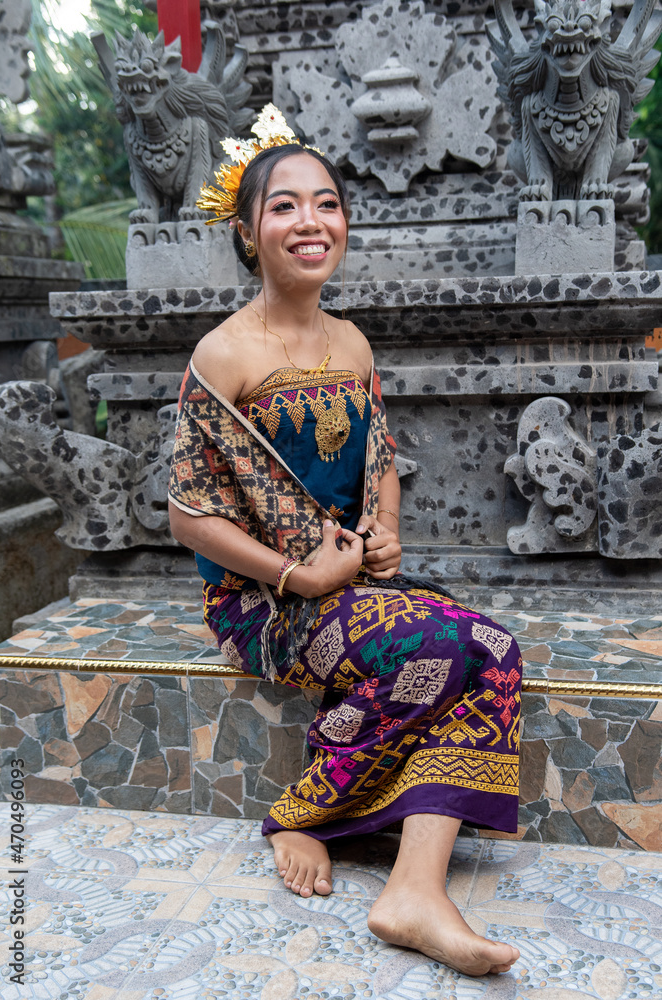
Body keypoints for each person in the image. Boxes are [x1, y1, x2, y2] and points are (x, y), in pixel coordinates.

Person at [168, 105, 522, 977]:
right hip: (262, 603)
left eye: (326, 203)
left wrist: (385, 534)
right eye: (284, 206)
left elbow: (381, 459)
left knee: (491, 647)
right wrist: (297, 576)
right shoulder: (224, 355)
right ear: (247, 232)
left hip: (348, 584)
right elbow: (188, 515)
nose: (310, 222)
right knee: (445, 645)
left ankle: (414, 890)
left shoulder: (352, 342)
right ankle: (303, 813)